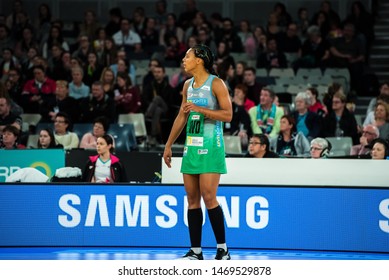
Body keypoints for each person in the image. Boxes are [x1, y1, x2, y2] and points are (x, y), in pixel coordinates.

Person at [162, 44, 232, 260]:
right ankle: (196, 251)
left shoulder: (216, 83)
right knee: (192, 199)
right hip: (191, 145)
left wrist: (200, 110)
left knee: (209, 197)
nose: (184, 59)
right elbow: (182, 116)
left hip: (212, 146)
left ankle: (223, 249)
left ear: (200, 60)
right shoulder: (187, 85)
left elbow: (228, 115)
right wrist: (168, 144)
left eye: (187, 56)